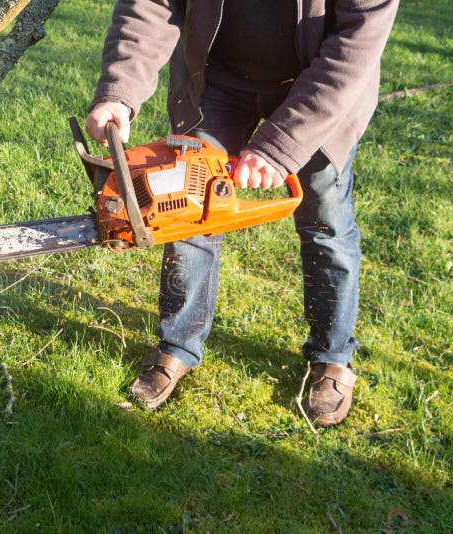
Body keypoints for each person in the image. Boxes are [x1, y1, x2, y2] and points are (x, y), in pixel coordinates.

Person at [85, 0, 398, 426]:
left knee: (325, 219)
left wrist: (281, 144)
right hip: (216, 77)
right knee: (189, 207)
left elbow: (355, 45)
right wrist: (119, 91)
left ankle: (332, 356)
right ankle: (178, 345)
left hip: (322, 89)